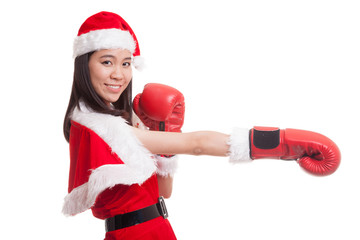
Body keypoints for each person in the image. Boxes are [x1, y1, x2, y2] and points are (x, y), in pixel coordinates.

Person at [62, 11, 341, 240]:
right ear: (85, 65)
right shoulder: (101, 126)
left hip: (154, 228)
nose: (118, 74)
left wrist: (164, 133)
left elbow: (163, 191)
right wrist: (282, 144)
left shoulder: (115, 118)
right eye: (106, 62)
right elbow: (196, 145)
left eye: (125, 63)